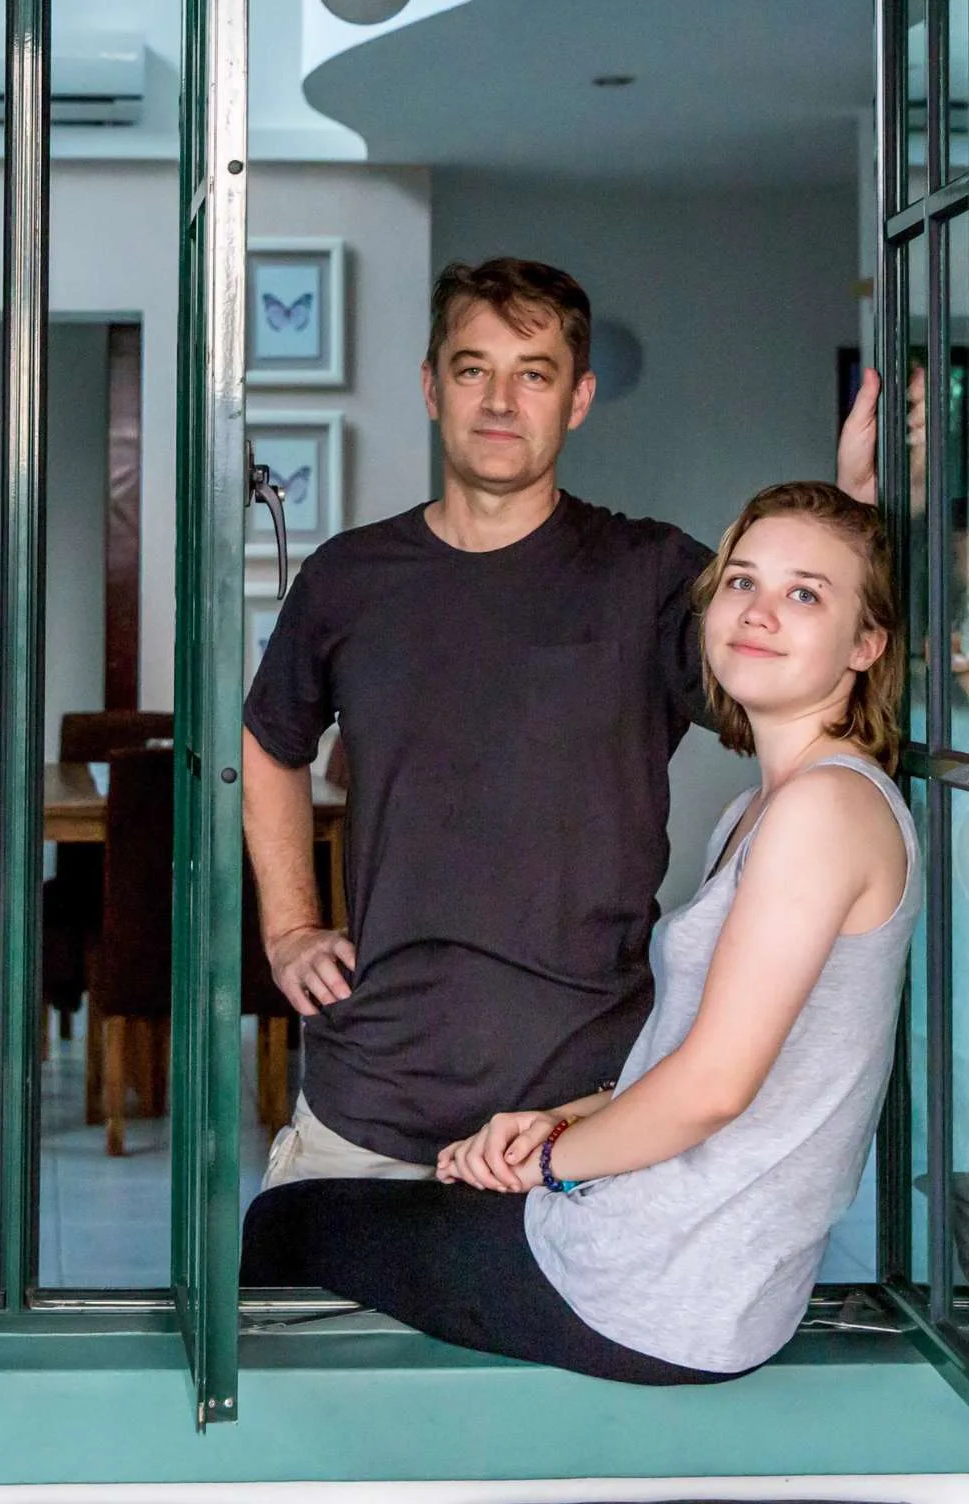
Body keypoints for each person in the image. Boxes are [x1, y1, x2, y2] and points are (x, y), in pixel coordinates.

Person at [243, 482, 913, 1385]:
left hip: (657, 1286)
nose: (758, 613)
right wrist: (557, 1121)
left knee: (285, 1227)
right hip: (660, 1250)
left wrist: (553, 1161)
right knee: (419, 1211)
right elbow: (698, 1060)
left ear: (866, 643)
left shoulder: (823, 811)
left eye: (805, 594)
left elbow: (714, 1088)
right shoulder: (766, 810)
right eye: (742, 582)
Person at [243, 257, 882, 1184]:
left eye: (533, 374)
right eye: (473, 369)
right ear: (432, 387)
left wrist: (858, 514)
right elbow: (272, 739)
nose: (501, 399)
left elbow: (813, 683)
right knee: (303, 1324)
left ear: (577, 398)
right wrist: (290, 927)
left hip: (577, 1109)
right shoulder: (348, 578)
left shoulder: (654, 575)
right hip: (370, 1097)